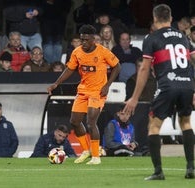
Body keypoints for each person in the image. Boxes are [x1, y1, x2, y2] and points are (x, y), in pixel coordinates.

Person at [123, 4, 195, 180]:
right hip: (187, 84)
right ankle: (190, 168)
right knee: (185, 123)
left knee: (154, 125)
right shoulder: (183, 37)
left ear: (154, 19)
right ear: (171, 19)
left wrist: (134, 98)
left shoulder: (152, 38)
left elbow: (144, 69)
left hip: (167, 85)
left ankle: (158, 172)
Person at [47, 24, 121, 165]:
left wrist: (107, 85)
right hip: (83, 90)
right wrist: (56, 83)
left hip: (97, 91)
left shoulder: (103, 51)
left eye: (86, 40)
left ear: (93, 39)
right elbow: (69, 69)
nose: (84, 43)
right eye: (82, 40)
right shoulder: (77, 52)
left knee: (91, 122)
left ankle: (96, 157)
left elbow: (117, 66)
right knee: (74, 121)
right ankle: (86, 150)